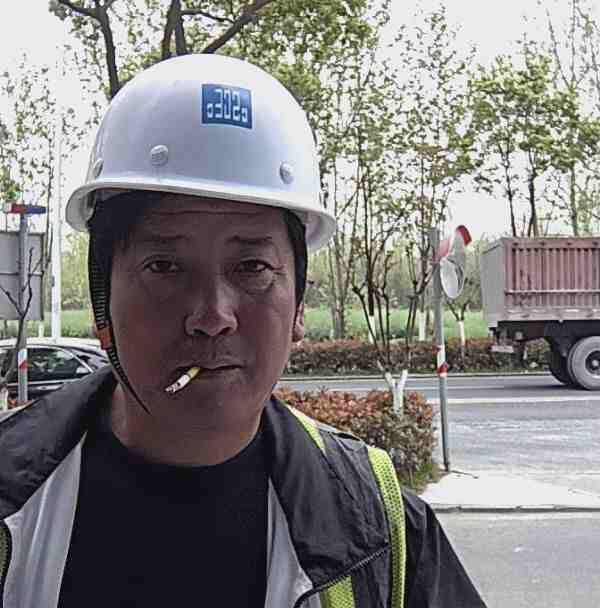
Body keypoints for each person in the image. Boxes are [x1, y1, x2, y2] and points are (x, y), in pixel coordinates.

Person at [0, 54, 486, 608]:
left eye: (252, 268)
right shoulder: (14, 498)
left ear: (298, 302)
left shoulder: (380, 529)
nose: (212, 316)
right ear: (101, 297)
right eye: (165, 267)